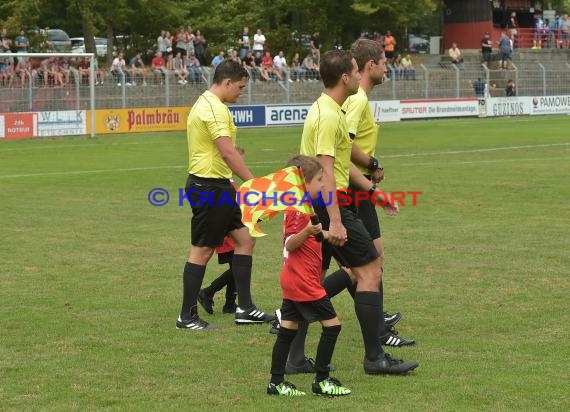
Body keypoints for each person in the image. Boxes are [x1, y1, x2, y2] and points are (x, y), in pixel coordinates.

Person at [298, 49, 419, 375]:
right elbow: (325, 170)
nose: (358, 75)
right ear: (345, 77)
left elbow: (339, 163)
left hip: (329, 203)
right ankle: (374, 357)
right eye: (355, 70)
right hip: (330, 205)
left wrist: (371, 192)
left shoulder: (332, 111)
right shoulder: (327, 115)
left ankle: (295, 356)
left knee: (312, 278)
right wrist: (335, 220)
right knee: (368, 271)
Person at [176, 59, 275, 330]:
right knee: (202, 251)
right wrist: (254, 184)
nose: (241, 92)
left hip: (217, 185)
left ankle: (244, 308)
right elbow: (228, 152)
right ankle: (186, 316)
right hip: (209, 187)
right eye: (240, 87)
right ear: (227, 82)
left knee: (245, 240)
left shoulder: (207, 103)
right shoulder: (214, 109)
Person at [267, 155, 351, 397]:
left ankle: (276, 382)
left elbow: (308, 238)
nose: (323, 185)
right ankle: (322, 380)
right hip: (302, 280)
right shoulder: (298, 210)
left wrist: (325, 234)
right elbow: (291, 244)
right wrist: (307, 231)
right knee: (333, 326)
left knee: (288, 329)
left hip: (294, 278)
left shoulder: (303, 206)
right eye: (319, 180)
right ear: (303, 183)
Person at [197, 147, 246, 315]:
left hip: (231, 232)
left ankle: (230, 304)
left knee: (236, 267)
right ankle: (208, 291)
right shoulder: (227, 185)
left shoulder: (229, 183)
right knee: (238, 267)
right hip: (230, 235)